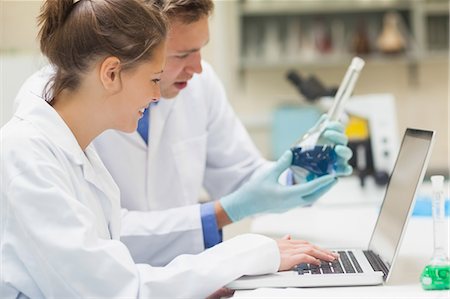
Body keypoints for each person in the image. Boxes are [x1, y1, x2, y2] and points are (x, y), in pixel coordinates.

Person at [1, 0, 340, 298]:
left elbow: (107, 263)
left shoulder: (74, 147)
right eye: (154, 78)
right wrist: (246, 254)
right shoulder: (32, 153)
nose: (154, 98)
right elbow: (118, 289)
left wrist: (299, 173)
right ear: (111, 72)